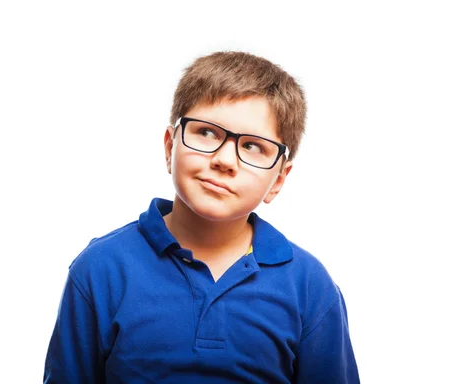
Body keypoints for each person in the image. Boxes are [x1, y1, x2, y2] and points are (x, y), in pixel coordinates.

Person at [43, 51, 360, 383]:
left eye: (253, 146)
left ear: (278, 179)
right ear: (170, 148)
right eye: (207, 132)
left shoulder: (309, 287)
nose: (225, 160)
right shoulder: (101, 268)